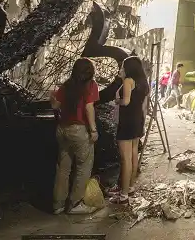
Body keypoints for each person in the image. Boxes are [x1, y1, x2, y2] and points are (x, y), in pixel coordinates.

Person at [50, 58, 100, 215]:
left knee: (63, 168)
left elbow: (55, 105)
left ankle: (58, 205)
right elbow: (88, 107)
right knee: (83, 167)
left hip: (62, 129)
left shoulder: (66, 85)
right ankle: (75, 204)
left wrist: (52, 95)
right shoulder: (91, 85)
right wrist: (93, 130)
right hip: (79, 130)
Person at [109, 56, 150, 204]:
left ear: (129, 68)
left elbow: (125, 101)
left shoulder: (128, 81)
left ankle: (123, 194)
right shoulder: (143, 82)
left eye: (123, 67)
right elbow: (144, 106)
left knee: (125, 159)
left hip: (127, 122)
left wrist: (117, 101)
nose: (121, 70)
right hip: (138, 120)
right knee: (133, 155)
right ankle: (130, 186)